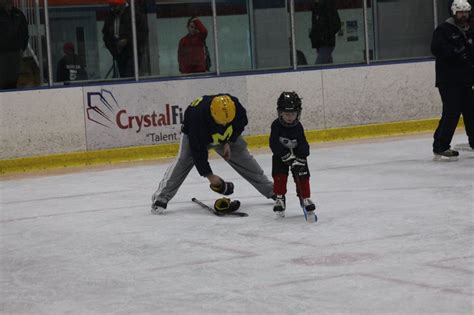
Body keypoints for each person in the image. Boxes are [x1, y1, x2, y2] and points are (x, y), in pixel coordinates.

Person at [151, 94, 274, 214]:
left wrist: (229, 141)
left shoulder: (237, 108)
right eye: (221, 122)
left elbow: (240, 125)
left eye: (227, 122)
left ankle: (271, 190)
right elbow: (197, 151)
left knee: (245, 159)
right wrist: (209, 175)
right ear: (212, 114)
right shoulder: (197, 118)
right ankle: (161, 197)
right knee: (183, 161)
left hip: (226, 137)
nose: (224, 125)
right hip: (196, 136)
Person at [431, 0, 474, 160]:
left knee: (471, 111)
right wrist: (455, 52)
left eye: (466, 12)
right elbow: (436, 49)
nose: (464, 15)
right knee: (452, 113)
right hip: (448, 80)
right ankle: (440, 146)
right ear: (454, 13)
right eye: (460, 12)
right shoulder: (443, 30)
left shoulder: (469, 30)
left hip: (465, 80)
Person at [269, 91, 315, 218]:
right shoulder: (276, 125)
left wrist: (301, 158)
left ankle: (305, 198)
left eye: (293, 114)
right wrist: (285, 156)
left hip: (297, 157)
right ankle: (279, 198)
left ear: (298, 113)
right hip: (280, 156)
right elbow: (273, 144)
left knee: (303, 176)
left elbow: (303, 144)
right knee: (279, 175)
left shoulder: (298, 126)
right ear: (280, 113)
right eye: (286, 114)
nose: (290, 117)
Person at [102, 0, 148, 78]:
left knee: (130, 75)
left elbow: (142, 34)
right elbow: (106, 34)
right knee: (123, 76)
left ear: (122, 5)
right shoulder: (110, 17)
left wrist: (127, 41)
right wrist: (113, 46)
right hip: (118, 54)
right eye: (112, 6)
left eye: (115, 6)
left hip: (132, 53)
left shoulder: (135, 15)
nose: (113, 9)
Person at [0, 0, 29, 90]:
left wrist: (21, 48)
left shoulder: (18, 14)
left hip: (16, 54)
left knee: (14, 81)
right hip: (1, 54)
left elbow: (25, 33)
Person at [309, 0, 341, 64]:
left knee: (319, 66)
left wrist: (326, 35)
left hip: (326, 43)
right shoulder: (316, 7)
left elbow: (337, 24)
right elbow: (316, 26)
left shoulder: (328, 6)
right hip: (321, 43)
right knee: (328, 65)